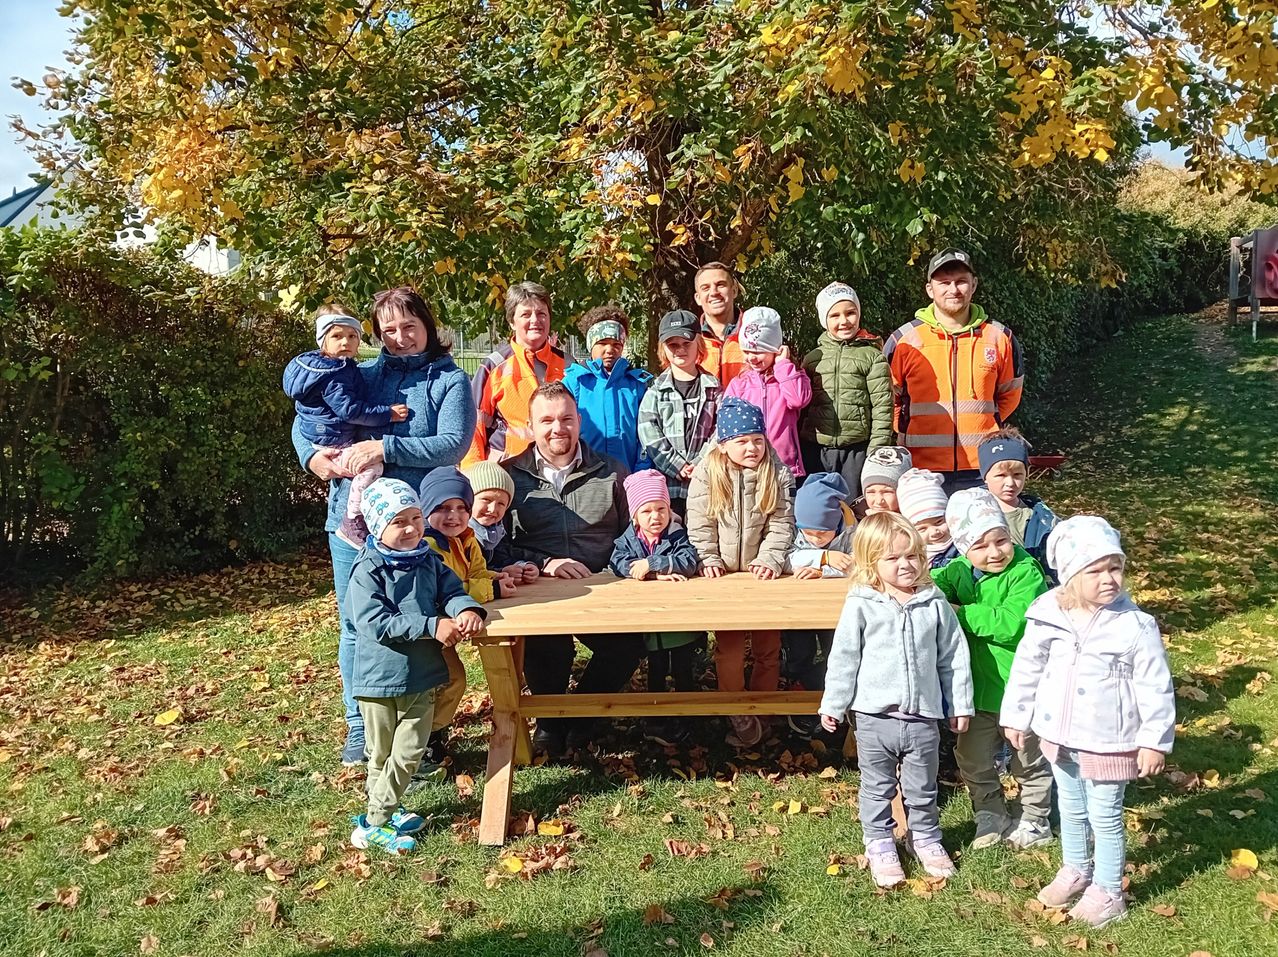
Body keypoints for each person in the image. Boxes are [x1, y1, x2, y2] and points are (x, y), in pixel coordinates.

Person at [293, 287, 475, 768]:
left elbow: (453, 443)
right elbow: (308, 414)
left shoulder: (449, 380)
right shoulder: (360, 374)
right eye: (388, 330)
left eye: (408, 327)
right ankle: (360, 725)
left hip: (417, 528)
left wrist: (383, 448)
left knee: (422, 626)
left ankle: (426, 728)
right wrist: (311, 456)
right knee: (357, 625)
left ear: (427, 326)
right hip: (353, 524)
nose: (399, 338)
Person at [1001, 516, 1174, 927]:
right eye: (1095, 570)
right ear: (1070, 576)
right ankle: (1077, 867)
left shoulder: (1135, 626)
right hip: (1060, 736)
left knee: (1105, 816)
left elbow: (1155, 685)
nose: (1109, 579)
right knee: (1072, 807)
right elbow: (1027, 667)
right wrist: (1017, 714)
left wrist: (1153, 740)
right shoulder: (1048, 613)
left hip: (1108, 739)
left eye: (1115, 568)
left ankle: (1109, 891)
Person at [819, 512, 974, 888]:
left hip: (922, 715)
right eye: (893, 558)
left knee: (922, 785)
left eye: (913, 556)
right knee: (877, 786)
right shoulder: (861, 604)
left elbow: (952, 656)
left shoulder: (933, 603)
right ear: (871, 563)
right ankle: (880, 842)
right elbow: (844, 657)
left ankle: (925, 837)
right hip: (875, 718)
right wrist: (833, 703)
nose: (905, 565)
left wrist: (959, 703)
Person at [499, 381, 645, 757]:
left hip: (603, 588)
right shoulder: (510, 477)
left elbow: (633, 532)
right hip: (539, 592)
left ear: (579, 421)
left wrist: (621, 568)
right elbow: (496, 545)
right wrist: (544, 563)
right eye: (546, 420)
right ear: (530, 427)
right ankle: (548, 723)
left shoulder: (611, 472)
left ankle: (580, 719)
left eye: (566, 418)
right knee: (547, 648)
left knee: (627, 647)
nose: (557, 428)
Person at [345, 479, 486, 853]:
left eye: (415, 517)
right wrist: (431, 625)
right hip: (378, 681)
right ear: (377, 527)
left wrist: (465, 608)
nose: (410, 528)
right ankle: (379, 820)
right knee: (380, 754)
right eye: (398, 522)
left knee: (408, 751)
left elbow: (451, 591)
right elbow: (375, 622)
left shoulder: (429, 559)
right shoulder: (368, 571)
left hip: (421, 677)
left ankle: (377, 816)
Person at [931, 488, 1053, 850]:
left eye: (1001, 540)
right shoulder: (958, 571)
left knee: (1028, 758)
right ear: (964, 548)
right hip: (976, 692)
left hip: (1021, 691)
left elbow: (1012, 623)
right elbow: (928, 583)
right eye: (980, 546)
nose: (995, 552)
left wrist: (961, 614)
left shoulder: (1025, 573)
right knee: (971, 757)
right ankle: (990, 811)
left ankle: (1035, 818)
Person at [687, 397, 796, 748]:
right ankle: (736, 708)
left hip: (762, 575)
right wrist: (707, 556)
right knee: (730, 648)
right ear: (724, 445)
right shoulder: (709, 472)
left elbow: (781, 522)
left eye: (757, 440)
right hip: (724, 578)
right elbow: (700, 521)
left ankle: (762, 709)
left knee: (768, 646)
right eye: (742, 441)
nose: (751, 447)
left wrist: (770, 558)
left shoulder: (775, 471)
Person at [883, 249, 1025, 493]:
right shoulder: (904, 340)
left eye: (961, 282)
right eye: (944, 283)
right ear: (930, 289)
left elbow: (1009, 395)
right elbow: (887, 400)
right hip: (920, 469)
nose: (953, 289)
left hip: (984, 466)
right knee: (931, 533)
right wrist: (908, 428)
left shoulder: (999, 337)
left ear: (974, 285)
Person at [283, 306, 410, 546]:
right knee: (371, 468)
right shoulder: (336, 374)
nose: (346, 342)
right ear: (322, 341)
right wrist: (387, 414)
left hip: (325, 435)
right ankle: (353, 517)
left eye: (352, 336)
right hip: (333, 440)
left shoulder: (332, 368)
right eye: (337, 336)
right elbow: (349, 410)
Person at [418, 466, 516, 773]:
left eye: (462, 508)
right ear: (426, 509)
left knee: (452, 679)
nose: (454, 516)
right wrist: (493, 588)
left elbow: (473, 574)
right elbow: (444, 590)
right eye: (444, 508)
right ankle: (423, 743)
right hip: (428, 627)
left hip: (449, 625)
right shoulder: (428, 546)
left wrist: (499, 575)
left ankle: (432, 734)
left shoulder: (466, 538)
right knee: (447, 679)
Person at [609, 469, 703, 744]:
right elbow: (617, 563)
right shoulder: (629, 539)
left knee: (684, 669)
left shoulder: (677, 534)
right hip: (650, 621)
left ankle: (690, 717)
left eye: (661, 508)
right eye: (646, 510)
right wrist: (647, 574)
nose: (655, 517)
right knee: (657, 669)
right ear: (635, 515)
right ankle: (656, 718)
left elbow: (688, 560)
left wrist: (654, 564)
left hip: (681, 621)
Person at [800, 282, 894, 500]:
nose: (843, 321)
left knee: (853, 508)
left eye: (850, 313)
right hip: (816, 449)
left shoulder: (872, 357)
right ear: (825, 320)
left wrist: (876, 450)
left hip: (856, 451)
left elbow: (883, 406)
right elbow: (803, 406)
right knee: (818, 508)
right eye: (835, 315)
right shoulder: (814, 358)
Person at [782, 471, 856, 738]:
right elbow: (786, 559)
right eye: (809, 533)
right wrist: (822, 557)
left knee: (833, 652)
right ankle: (799, 695)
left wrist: (824, 570)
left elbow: (855, 565)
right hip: (798, 607)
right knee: (799, 650)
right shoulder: (794, 529)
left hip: (837, 610)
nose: (814, 539)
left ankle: (834, 702)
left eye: (822, 534)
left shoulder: (851, 532)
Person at [464, 281, 566, 467]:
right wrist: (474, 475)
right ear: (512, 321)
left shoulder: (568, 365)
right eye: (526, 314)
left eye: (542, 314)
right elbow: (473, 426)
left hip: (558, 469)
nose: (535, 320)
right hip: (508, 471)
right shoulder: (494, 366)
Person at [637, 310, 723, 519]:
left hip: (705, 484)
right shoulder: (655, 392)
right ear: (663, 349)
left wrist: (700, 464)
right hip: (668, 488)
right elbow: (649, 432)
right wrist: (677, 465)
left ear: (699, 345)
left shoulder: (714, 389)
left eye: (686, 343)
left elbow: (720, 431)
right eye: (673, 345)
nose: (680, 350)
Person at [725, 306, 812, 480]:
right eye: (747, 351)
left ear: (776, 349)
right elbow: (727, 423)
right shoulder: (740, 384)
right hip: (750, 467)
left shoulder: (790, 377)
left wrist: (782, 365)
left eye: (759, 351)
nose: (752, 358)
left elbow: (797, 400)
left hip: (785, 468)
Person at [563, 305, 652, 471]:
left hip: (629, 475)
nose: (609, 350)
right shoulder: (575, 382)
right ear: (591, 344)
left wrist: (642, 470)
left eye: (616, 344)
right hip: (584, 477)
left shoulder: (637, 384)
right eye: (602, 343)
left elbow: (647, 433)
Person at [978, 429, 1059, 580]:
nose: (1010, 483)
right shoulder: (972, 514)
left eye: (1017, 475)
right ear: (985, 476)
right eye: (1000, 476)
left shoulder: (1042, 517)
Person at [463, 461, 539, 583]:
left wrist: (522, 566)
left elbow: (502, 557)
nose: (493, 509)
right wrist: (500, 573)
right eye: (486, 499)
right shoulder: (460, 536)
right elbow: (468, 573)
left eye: (501, 504)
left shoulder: (496, 532)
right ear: (467, 500)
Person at [692, 261, 745, 386]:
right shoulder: (690, 340)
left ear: (734, 291)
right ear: (698, 298)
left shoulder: (756, 333)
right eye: (705, 288)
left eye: (721, 285)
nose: (714, 292)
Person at [897, 468, 959, 569]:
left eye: (939, 522)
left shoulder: (964, 547)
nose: (934, 532)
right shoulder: (914, 558)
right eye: (922, 529)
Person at [854, 446, 913, 518]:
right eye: (871, 492)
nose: (879, 501)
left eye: (887, 492)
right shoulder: (854, 519)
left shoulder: (918, 519)